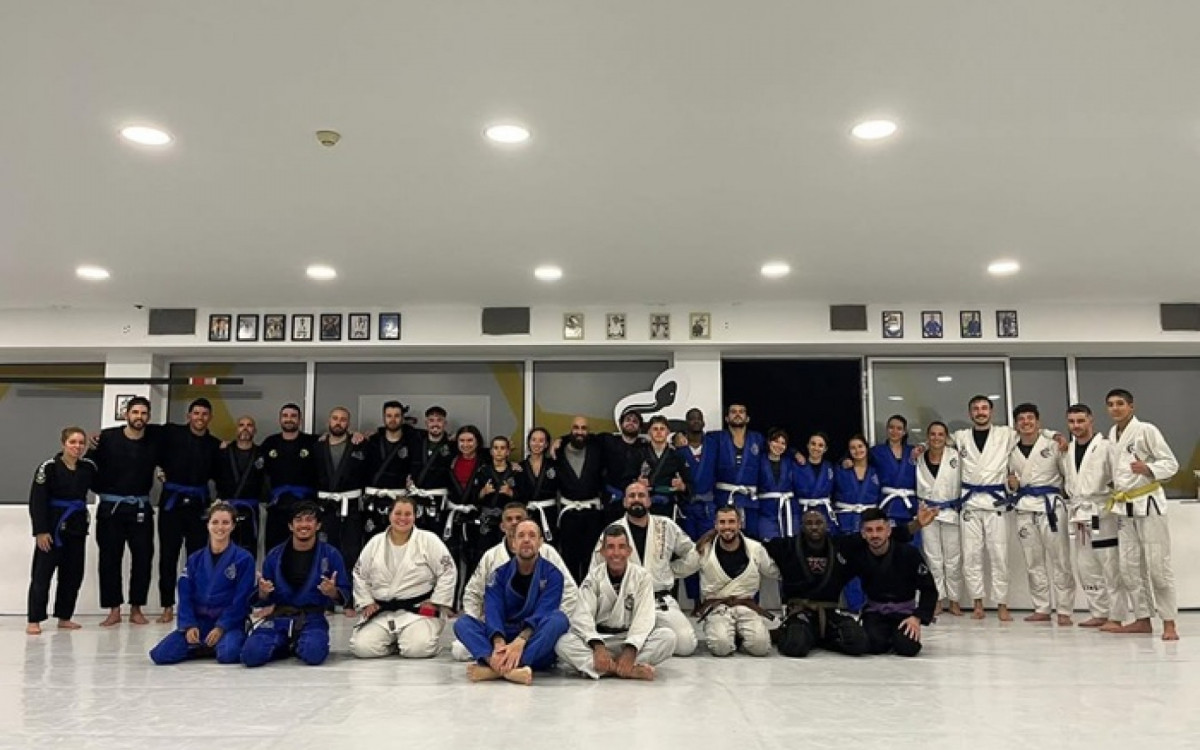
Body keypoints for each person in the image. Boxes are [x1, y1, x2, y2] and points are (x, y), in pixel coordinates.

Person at [944, 395, 1063, 621]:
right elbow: (938, 440)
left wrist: (1055, 435)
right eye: (976, 409)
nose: (980, 412)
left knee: (999, 555)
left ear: (992, 412)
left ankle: (1002, 604)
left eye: (984, 408)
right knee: (971, 555)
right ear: (970, 413)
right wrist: (920, 448)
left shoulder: (1006, 434)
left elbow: (1034, 431)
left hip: (995, 503)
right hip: (970, 503)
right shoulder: (961, 437)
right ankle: (977, 603)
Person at [450, 502, 577, 661]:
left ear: (540, 541)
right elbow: (488, 605)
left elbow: (556, 602)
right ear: (513, 541)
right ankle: (508, 662)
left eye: (531, 535)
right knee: (462, 626)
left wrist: (524, 638)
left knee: (558, 621)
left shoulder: (552, 569)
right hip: (503, 630)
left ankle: (495, 664)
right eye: (510, 520)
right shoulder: (496, 568)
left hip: (535, 631)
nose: (515, 523)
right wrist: (497, 640)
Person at [1104, 389, 1180, 640]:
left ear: (1131, 406)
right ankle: (1142, 619)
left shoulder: (1146, 430)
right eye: (1111, 404)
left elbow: (1171, 464)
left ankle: (1169, 623)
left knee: (1158, 565)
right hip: (1125, 507)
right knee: (1129, 566)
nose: (1115, 408)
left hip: (1149, 504)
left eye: (1120, 403)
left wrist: (1148, 468)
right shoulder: (1112, 435)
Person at [592, 483, 700, 655]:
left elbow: (693, 554)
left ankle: (648, 639)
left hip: (659, 601)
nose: (637, 499)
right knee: (614, 642)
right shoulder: (612, 532)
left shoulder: (666, 526)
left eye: (641, 496)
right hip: (626, 603)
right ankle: (645, 644)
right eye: (632, 496)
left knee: (686, 645)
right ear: (625, 502)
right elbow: (596, 570)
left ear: (649, 501)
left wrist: (671, 571)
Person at [556, 525, 675, 680]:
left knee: (668, 637)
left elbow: (644, 617)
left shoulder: (642, 577)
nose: (616, 553)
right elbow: (582, 616)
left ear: (629, 551)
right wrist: (597, 646)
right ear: (602, 552)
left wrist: (631, 649)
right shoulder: (593, 578)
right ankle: (627, 670)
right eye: (610, 547)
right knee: (563, 643)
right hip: (601, 639)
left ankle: (604, 668)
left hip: (628, 637)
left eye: (621, 547)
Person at [240, 502, 350, 667]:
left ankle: (293, 642)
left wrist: (332, 592)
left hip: (312, 618)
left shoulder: (331, 555)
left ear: (318, 525)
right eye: (298, 520)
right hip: (279, 617)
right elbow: (262, 597)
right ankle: (286, 643)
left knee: (313, 653)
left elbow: (344, 594)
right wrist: (263, 593)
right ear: (291, 526)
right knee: (250, 655)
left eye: (309, 520)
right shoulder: (274, 555)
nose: (304, 525)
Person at [349, 496, 457, 659]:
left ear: (415, 516)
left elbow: (448, 571)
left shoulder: (428, 540)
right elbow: (359, 574)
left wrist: (436, 602)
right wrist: (366, 601)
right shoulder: (375, 542)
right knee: (362, 648)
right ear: (390, 515)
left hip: (417, 611)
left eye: (408, 514)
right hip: (383, 610)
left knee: (417, 649)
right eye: (398, 513)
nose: (402, 518)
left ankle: (410, 641)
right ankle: (393, 644)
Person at [148, 502, 255, 664]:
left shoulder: (244, 559)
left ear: (233, 526)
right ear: (208, 524)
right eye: (215, 522)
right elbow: (185, 594)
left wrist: (221, 627)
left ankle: (216, 644)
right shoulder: (194, 559)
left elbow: (241, 599)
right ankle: (206, 645)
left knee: (228, 655)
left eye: (225, 523)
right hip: (199, 622)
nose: (220, 527)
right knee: (160, 655)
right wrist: (189, 625)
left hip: (229, 623)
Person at [89, 396, 157, 627]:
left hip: (140, 508)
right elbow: (90, 465)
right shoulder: (107, 438)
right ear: (126, 414)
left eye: (144, 413)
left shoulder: (154, 440)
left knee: (143, 559)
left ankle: (136, 608)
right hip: (111, 509)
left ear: (148, 417)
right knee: (109, 559)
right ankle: (114, 609)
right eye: (135, 412)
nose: (139, 417)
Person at [152, 397, 221, 624]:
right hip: (172, 503)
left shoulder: (214, 445)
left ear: (210, 418)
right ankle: (167, 606)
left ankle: (196, 605)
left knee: (198, 558)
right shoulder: (171, 433)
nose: (200, 417)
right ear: (189, 415)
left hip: (199, 505)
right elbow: (144, 437)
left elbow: (221, 475)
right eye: (196, 413)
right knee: (168, 556)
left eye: (204, 414)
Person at [1061, 404, 1126, 629]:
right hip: (1080, 514)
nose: (1076, 425)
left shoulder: (1106, 447)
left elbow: (1119, 476)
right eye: (1072, 422)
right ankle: (1099, 612)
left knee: (1109, 564)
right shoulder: (1068, 450)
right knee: (1086, 565)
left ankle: (1116, 616)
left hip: (1101, 512)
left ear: (1091, 420)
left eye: (1080, 421)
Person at [1008, 403, 1073, 625]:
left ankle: (1064, 609)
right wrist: (1012, 486)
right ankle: (1042, 607)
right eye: (1021, 419)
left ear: (1038, 422)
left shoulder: (1053, 445)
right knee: (1033, 561)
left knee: (1060, 559)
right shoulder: (1011, 450)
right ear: (1016, 424)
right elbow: (1009, 480)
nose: (1026, 422)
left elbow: (1068, 475)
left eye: (1030, 418)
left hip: (1050, 507)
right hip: (1025, 506)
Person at [26, 427, 96, 635]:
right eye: (73, 442)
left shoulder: (87, 467)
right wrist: (40, 531)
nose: (77, 446)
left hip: (76, 527)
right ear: (63, 443)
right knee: (42, 575)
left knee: (72, 575)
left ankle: (64, 616)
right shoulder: (48, 467)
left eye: (81, 443)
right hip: (52, 527)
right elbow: (37, 500)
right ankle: (34, 619)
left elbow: (104, 481)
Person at [694, 506, 780, 657]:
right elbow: (683, 567)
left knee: (761, 647)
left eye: (731, 522)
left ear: (740, 524)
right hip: (717, 607)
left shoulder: (755, 548)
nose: (727, 527)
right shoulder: (704, 549)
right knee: (721, 648)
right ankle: (721, 631)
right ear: (716, 525)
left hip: (745, 605)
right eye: (722, 522)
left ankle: (738, 635)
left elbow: (773, 571)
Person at [857, 508, 939, 657]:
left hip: (904, 612)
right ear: (863, 533)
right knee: (872, 645)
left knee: (907, 647)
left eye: (879, 529)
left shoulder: (909, 554)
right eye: (869, 530)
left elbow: (929, 589)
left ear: (889, 531)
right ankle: (885, 637)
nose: (874, 535)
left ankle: (895, 637)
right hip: (875, 612)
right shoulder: (859, 554)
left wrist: (917, 617)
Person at [314, 406, 369, 610]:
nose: (338, 422)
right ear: (329, 421)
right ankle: (326, 600)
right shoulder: (317, 446)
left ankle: (350, 600)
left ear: (349, 423)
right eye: (335, 418)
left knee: (352, 553)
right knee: (325, 553)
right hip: (325, 506)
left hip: (351, 506)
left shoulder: (360, 445)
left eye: (343, 419)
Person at [916, 421, 964, 617]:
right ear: (927, 437)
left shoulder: (956, 456)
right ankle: (936, 599)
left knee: (953, 559)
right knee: (933, 558)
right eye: (933, 434)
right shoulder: (918, 458)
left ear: (946, 437)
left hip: (950, 510)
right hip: (927, 512)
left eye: (940, 434)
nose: (936, 438)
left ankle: (954, 600)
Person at [554, 416, 607, 583]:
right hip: (569, 514)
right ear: (570, 430)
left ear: (588, 431)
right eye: (576, 428)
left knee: (591, 557)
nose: (580, 432)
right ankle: (571, 594)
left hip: (592, 513)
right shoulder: (558, 452)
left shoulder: (597, 450)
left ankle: (590, 593)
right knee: (569, 557)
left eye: (584, 428)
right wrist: (560, 440)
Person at [261, 403, 319, 551]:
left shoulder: (313, 442)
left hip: (305, 504)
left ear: (300, 420)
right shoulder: (269, 443)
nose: (289, 419)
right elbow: (257, 471)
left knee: (305, 547)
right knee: (275, 548)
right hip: (277, 505)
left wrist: (356, 436)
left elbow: (336, 440)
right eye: (285, 416)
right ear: (280, 419)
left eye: (293, 416)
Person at [833, 434, 880, 612]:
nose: (857, 451)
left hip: (869, 522)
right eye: (853, 448)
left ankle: (872, 602)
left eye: (860, 446)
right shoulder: (841, 470)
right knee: (850, 563)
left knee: (871, 562)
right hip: (847, 520)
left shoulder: (876, 471)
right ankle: (855, 605)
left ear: (866, 448)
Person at [676, 408, 717, 604]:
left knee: (709, 552)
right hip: (687, 508)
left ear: (703, 422)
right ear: (686, 423)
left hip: (708, 508)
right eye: (691, 419)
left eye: (698, 418)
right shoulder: (678, 450)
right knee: (690, 553)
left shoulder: (713, 445)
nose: (695, 422)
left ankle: (710, 596)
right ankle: (695, 600)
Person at [363, 401, 420, 538]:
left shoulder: (412, 441)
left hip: (399, 500)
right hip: (374, 500)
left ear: (402, 418)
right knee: (374, 541)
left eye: (397, 416)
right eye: (389, 416)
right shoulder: (372, 441)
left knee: (400, 540)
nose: (393, 419)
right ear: (383, 418)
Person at [214, 416, 265, 557]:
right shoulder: (223, 452)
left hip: (251, 509)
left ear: (255, 430)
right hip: (226, 507)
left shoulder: (262, 454)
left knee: (248, 553)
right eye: (241, 425)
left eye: (249, 425)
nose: (245, 428)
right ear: (236, 429)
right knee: (223, 551)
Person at [444, 425, 484, 606]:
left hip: (475, 516)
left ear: (477, 442)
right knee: (451, 560)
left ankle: (468, 602)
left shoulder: (485, 461)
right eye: (462, 440)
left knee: (474, 561)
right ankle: (451, 603)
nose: (466, 444)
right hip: (453, 515)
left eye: (470, 440)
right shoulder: (450, 460)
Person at [712, 404, 765, 539]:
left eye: (741, 412)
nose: (737, 414)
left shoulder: (757, 439)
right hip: (724, 498)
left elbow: (777, 450)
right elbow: (695, 441)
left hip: (749, 500)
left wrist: (794, 453)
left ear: (747, 418)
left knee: (751, 539)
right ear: (726, 418)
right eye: (733, 412)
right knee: (725, 537)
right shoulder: (716, 438)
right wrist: (678, 437)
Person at [472, 435, 525, 560]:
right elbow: (473, 496)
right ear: (491, 451)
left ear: (508, 451)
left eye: (502, 448)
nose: (499, 451)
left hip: (509, 521)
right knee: (485, 555)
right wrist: (483, 492)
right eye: (496, 448)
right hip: (487, 520)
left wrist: (511, 493)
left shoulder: (516, 472)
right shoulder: (483, 471)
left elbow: (525, 497)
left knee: (509, 553)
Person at [407, 405, 454, 533]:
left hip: (439, 501)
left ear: (445, 423)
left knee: (436, 538)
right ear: (426, 423)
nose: (435, 424)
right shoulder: (416, 443)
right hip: (417, 498)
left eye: (439, 420)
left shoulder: (453, 446)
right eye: (431, 420)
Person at [638, 416, 691, 519]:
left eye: (662, 429)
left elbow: (689, 483)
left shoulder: (677, 455)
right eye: (655, 429)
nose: (659, 432)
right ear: (649, 432)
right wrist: (637, 483)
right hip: (645, 503)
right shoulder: (639, 454)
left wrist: (682, 486)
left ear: (668, 432)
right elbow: (630, 479)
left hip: (669, 504)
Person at [600, 411, 648, 521]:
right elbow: (585, 438)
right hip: (611, 499)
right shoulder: (607, 441)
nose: (631, 423)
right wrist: (562, 440)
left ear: (640, 428)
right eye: (628, 420)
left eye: (635, 421)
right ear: (621, 424)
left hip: (635, 500)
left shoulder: (645, 448)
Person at [872, 415, 919, 529]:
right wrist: (846, 460)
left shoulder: (913, 452)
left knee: (910, 537)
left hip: (910, 506)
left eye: (899, 428)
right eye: (891, 427)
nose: (894, 431)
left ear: (904, 432)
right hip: (888, 505)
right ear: (887, 429)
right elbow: (858, 458)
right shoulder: (876, 451)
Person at [757, 428, 800, 540]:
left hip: (788, 509)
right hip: (766, 511)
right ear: (768, 442)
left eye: (783, 443)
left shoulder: (790, 462)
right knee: (770, 542)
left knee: (791, 542)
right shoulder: (759, 460)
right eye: (776, 441)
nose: (779, 446)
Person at [520, 427, 561, 543]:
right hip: (528, 513)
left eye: (541, 440)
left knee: (549, 546)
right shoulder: (520, 467)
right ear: (529, 442)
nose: (537, 444)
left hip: (549, 513)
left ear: (547, 444)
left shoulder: (554, 465)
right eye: (533, 440)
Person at [793, 432, 837, 530]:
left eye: (820, 445)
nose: (816, 448)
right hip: (801, 512)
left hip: (824, 513)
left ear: (825, 449)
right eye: (813, 444)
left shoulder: (830, 467)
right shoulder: (796, 466)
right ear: (807, 445)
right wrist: (794, 453)